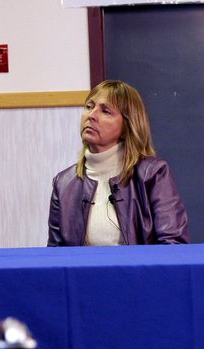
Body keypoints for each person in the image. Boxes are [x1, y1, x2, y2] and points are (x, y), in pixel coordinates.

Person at [48, 80, 189, 248]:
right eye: (88, 106)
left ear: (127, 126)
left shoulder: (153, 173)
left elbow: (173, 245)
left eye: (105, 111)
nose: (91, 115)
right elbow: (55, 254)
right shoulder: (63, 183)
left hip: (139, 273)